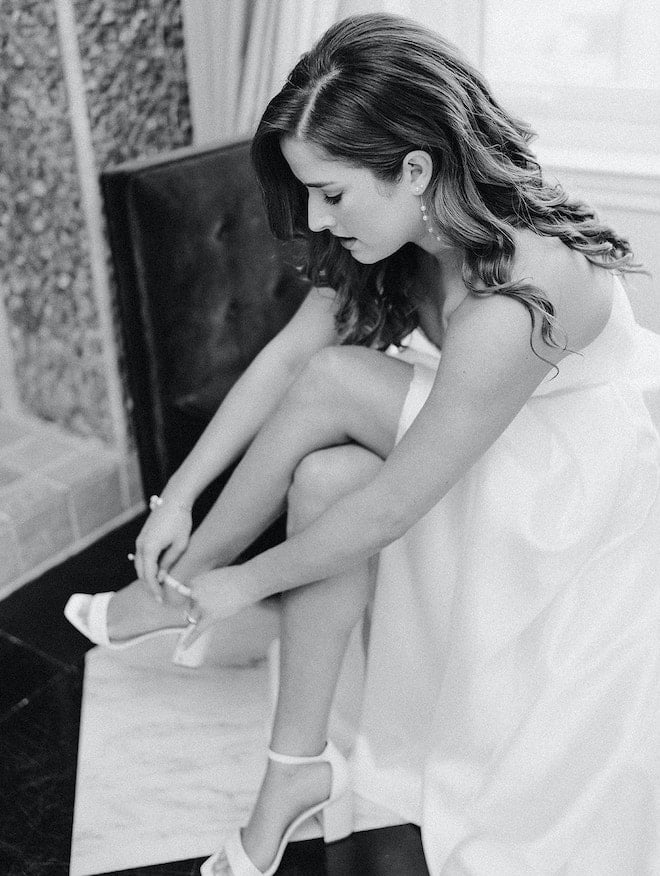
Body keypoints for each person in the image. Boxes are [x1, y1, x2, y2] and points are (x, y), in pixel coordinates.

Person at [65, 13, 660, 875]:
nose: (314, 216)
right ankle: (291, 774)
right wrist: (182, 496)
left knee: (340, 403)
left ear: (415, 168)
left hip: (571, 481)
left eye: (332, 193)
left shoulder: (525, 290)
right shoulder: (399, 232)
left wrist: (238, 584)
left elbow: (390, 505)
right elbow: (286, 360)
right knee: (327, 474)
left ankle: (182, 592)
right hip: (475, 438)